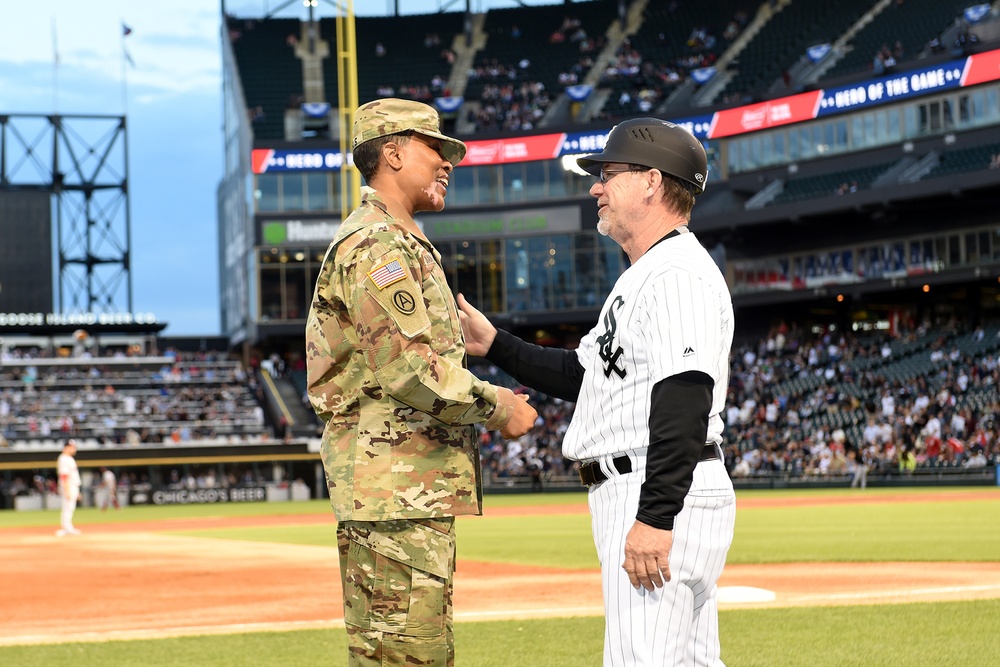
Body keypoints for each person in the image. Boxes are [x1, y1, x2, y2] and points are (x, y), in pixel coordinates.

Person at [458, 118, 736, 666]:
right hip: (648, 485)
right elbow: (583, 374)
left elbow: (685, 397)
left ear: (651, 182)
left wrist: (655, 516)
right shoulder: (646, 273)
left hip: (651, 488)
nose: (596, 187)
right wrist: (496, 345)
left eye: (608, 174)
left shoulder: (677, 274)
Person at [305, 97, 538, 666]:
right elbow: (409, 371)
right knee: (411, 656)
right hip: (395, 491)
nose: (447, 162)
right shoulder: (378, 243)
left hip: (397, 490)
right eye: (436, 148)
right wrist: (499, 405)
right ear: (393, 153)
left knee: (395, 654)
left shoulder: (394, 239)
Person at [56, 439, 82, 536]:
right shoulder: (63, 459)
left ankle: (68, 527)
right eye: (72, 447)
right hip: (68, 486)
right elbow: (64, 476)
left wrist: (77, 491)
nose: (74, 449)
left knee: (70, 508)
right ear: (67, 447)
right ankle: (66, 528)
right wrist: (67, 490)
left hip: (73, 486)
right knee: (67, 507)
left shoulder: (69, 459)